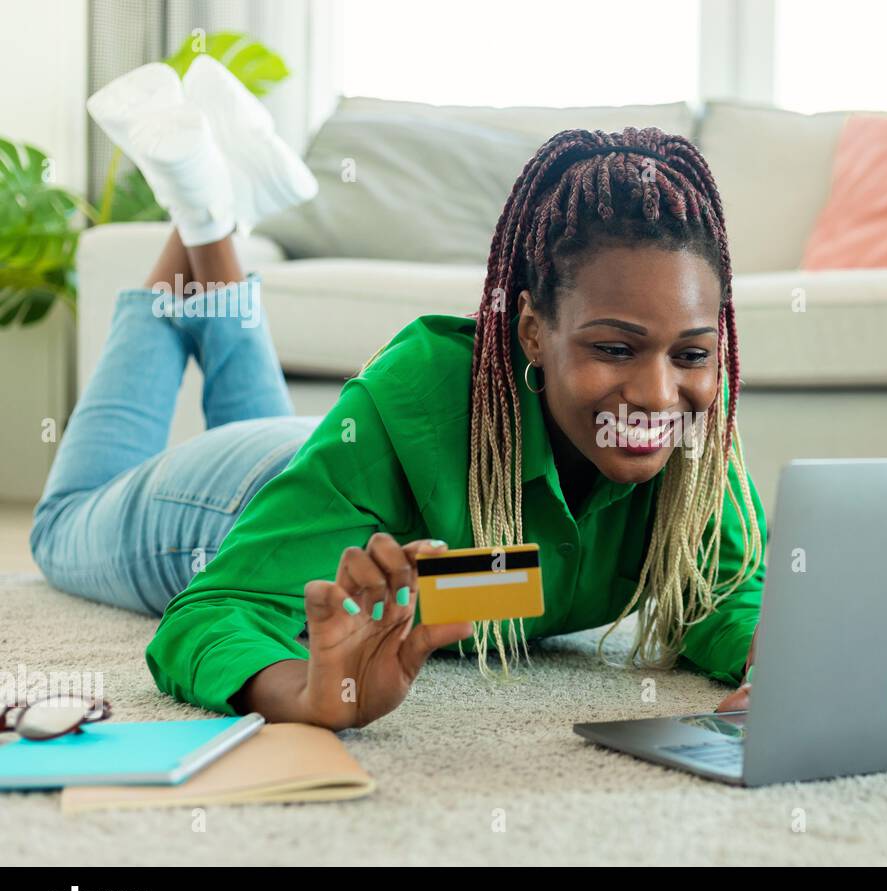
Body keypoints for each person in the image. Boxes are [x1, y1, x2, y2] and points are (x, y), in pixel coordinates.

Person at [31, 58, 767, 731]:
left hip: (323, 457)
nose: (657, 392)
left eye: (691, 354)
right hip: (222, 500)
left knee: (288, 441)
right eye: (613, 348)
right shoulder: (424, 397)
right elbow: (217, 611)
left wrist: (779, 662)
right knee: (60, 529)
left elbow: (727, 591)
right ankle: (199, 207)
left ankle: (211, 206)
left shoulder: (690, 436)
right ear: (534, 331)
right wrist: (311, 694)